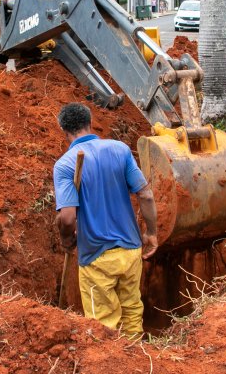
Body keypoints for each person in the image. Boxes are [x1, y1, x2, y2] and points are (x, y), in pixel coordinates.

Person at [53, 103, 158, 338]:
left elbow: (68, 217)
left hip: (96, 258)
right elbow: (146, 194)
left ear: (64, 130)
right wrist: (151, 233)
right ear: (91, 122)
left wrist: (66, 239)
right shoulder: (119, 150)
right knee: (132, 312)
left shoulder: (65, 165)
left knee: (103, 327)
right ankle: (136, 358)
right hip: (131, 251)